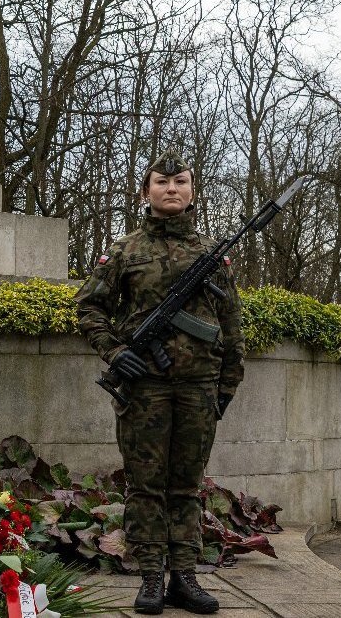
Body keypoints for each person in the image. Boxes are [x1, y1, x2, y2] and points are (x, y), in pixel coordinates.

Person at [74, 152, 243, 615]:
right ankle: (150, 576)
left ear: (193, 191)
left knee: (186, 484)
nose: (171, 189)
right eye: (162, 181)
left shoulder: (213, 255)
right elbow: (88, 307)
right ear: (146, 191)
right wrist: (116, 352)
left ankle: (185, 578)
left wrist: (226, 386)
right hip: (144, 387)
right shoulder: (126, 251)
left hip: (199, 387)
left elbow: (231, 324)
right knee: (146, 486)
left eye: (180, 181)